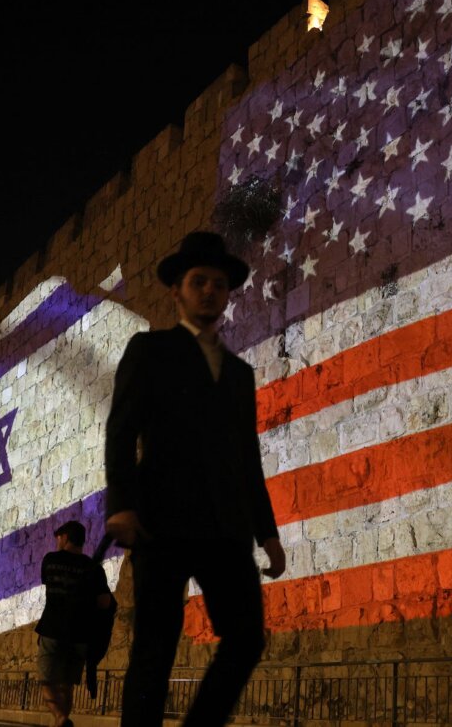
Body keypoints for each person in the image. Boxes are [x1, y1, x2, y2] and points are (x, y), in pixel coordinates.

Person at [106, 231, 286, 726]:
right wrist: (120, 503)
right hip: (160, 523)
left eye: (218, 284)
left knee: (247, 636)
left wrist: (267, 532)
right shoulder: (149, 350)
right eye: (199, 281)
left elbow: (247, 457)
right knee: (155, 650)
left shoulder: (239, 374)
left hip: (225, 530)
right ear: (178, 291)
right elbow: (120, 430)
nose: (209, 291)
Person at [35, 520, 112, 727]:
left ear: (65, 537)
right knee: (67, 684)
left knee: (46, 680)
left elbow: (49, 583)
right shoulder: (93, 567)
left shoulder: (50, 560)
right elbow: (105, 602)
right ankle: (63, 721)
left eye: (59, 537)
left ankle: (60, 718)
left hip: (52, 629)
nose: (57, 541)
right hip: (79, 634)